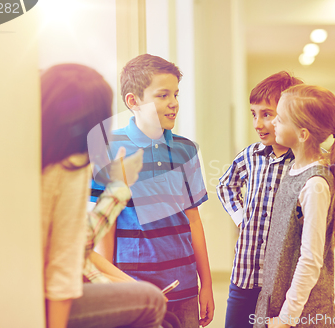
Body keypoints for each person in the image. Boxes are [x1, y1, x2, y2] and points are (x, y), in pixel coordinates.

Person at [216, 72, 335, 328]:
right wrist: (242, 220)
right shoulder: (252, 154)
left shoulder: (315, 165)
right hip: (246, 275)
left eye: (269, 115)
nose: (258, 124)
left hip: (286, 284)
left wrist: (315, 230)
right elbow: (226, 184)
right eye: (254, 114)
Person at [91, 54, 214, 328]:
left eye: (175, 94)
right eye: (162, 95)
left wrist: (205, 284)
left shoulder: (186, 150)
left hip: (183, 289)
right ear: (133, 101)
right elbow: (103, 226)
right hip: (133, 290)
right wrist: (112, 287)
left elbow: (193, 219)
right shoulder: (109, 148)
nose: (174, 104)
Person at [41, 63, 166, 328]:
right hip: (39, 297)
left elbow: (75, 242)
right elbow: (65, 263)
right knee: (151, 300)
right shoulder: (71, 165)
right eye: (162, 95)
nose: (172, 104)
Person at [253, 84, 335, 327]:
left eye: (280, 118)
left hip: (302, 313)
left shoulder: (315, 184)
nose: (273, 123)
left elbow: (310, 259)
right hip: (277, 299)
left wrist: (287, 318)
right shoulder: (293, 168)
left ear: (302, 133)